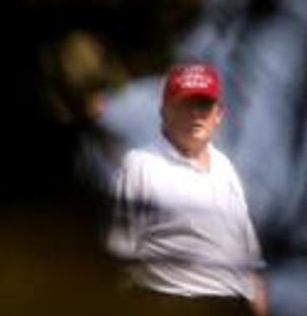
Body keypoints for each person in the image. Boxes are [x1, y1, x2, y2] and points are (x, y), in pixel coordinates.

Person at [107, 63, 268, 316]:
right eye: (185, 104)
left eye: (204, 105)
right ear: (165, 112)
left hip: (229, 306)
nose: (196, 114)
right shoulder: (140, 164)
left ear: (219, 114)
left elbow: (249, 263)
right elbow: (118, 257)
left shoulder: (226, 171)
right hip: (167, 303)